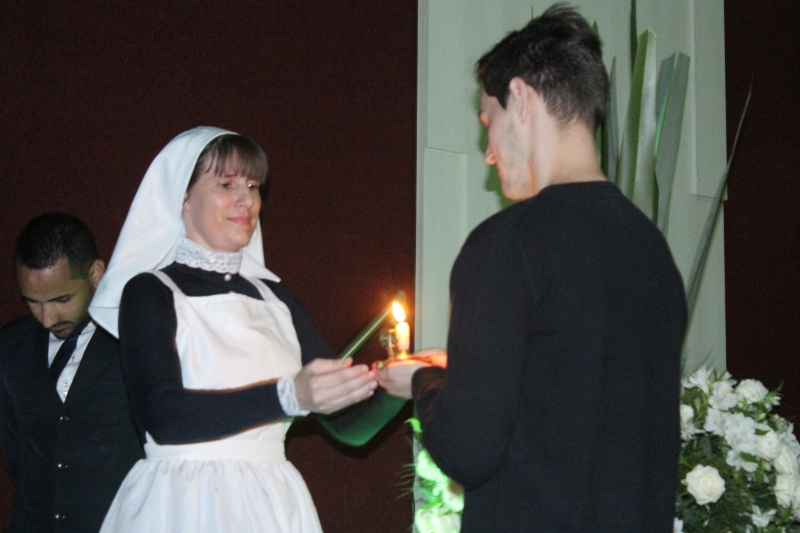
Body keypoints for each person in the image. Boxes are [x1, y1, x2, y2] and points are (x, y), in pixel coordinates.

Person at [377, 5, 688, 532]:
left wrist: (424, 382)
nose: (488, 154)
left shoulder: (505, 245)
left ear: (520, 98)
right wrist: (466, 369)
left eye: (487, 121)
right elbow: (579, 398)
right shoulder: (653, 252)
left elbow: (468, 450)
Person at [89, 127, 406, 533]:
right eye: (226, 185)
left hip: (272, 505)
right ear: (182, 198)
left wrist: (402, 385)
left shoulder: (276, 298)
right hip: (183, 504)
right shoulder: (149, 293)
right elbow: (163, 417)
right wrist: (288, 395)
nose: (247, 200)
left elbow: (348, 426)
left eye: (253, 186)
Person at [0, 213, 143, 533]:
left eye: (62, 299)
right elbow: (16, 457)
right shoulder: (9, 347)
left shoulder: (135, 342)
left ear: (96, 274)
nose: (47, 318)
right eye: (32, 302)